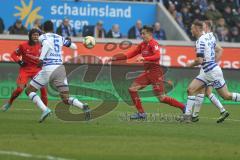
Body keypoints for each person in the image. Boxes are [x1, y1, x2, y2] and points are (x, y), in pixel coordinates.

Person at [106, 25, 185, 120]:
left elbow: (157, 56)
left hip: (155, 73)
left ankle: (183, 107)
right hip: (148, 73)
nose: (141, 35)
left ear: (150, 34)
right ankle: (141, 113)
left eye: (144, 33)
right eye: (141, 33)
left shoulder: (153, 43)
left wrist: (144, 58)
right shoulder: (142, 45)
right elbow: (130, 54)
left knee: (162, 98)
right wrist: (114, 58)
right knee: (132, 89)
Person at [25, 20, 90, 123]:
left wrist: (41, 59)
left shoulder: (43, 37)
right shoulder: (59, 37)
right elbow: (74, 47)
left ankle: (45, 109)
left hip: (49, 68)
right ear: (53, 28)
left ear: (43, 29)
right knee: (65, 98)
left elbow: (46, 44)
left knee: (29, 90)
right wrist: (69, 41)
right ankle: (83, 106)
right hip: (60, 69)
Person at [181, 20, 240, 123]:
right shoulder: (210, 36)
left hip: (213, 73)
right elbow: (218, 49)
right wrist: (212, 61)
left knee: (226, 96)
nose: (191, 30)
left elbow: (199, 60)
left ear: (197, 29)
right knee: (190, 89)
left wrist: (189, 65)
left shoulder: (200, 41)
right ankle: (187, 116)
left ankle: (193, 115)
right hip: (206, 72)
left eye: (192, 28)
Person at [191, 20, 229, 123]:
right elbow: (219, 50)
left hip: (210, 70)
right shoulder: (209, 37)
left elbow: (220, 50)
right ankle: (194, 115)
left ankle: (222, 110)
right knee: (203, 91)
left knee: (221, 94)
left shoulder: (206, 38)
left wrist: (213, 63)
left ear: (207, 27)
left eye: (204, 26)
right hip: (207, 70)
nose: (203, 28)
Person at [2, 28, 48, 111]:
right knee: (19, 89)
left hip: (37, 69)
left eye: (37, 35)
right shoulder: (23, 45)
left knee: (43, 89)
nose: (35, 37)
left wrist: (43, 61)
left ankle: (45, 110)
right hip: (25, 70)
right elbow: (13, 55)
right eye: (34, 35)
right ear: (30, 36)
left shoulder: (42, 45)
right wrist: (19, 62)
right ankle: (9, 102)